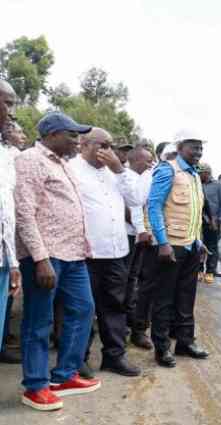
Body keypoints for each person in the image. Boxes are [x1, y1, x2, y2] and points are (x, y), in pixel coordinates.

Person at [14, 112, 100, 411]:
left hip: (74, 255)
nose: (77, 140)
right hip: (46, 257)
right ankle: (35, 386)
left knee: (84, 308)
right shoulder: (29, 160)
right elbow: (25, 212)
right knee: (39, 321)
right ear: (51, 135)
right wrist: (40, 259)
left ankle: (64, 376)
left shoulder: (62, 164)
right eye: (72, 135)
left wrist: (84, 243)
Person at [71, 128, 147, 377]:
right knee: (83, 309)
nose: (108, 151)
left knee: (114, 306)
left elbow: (136, 200)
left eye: (110, 146)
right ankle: (77, 359)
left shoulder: (116, 172)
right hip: (87, 253)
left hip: (116, 252)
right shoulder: (71, 168)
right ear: (83, 144)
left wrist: (120, 170)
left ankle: (114, 357)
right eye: (102, 145)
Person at [147, 129, 209, 368]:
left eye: (201, 148)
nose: (199, 152)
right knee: (164, 298)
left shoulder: (193, 175)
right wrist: (162, 242)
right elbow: (154, 206)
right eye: (194, 147)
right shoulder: (167, 169)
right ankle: (162, 347)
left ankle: (185, 342)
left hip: (191, 245)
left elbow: (194, 212)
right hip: (170, 245)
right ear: (181, 147)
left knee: (186, 296)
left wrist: (199, 241)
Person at [130, 142, 175, 350]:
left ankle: (163, 329)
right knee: (147, 287)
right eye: (171, 154)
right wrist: (143, 229)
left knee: (164, 288)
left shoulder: (184, 176)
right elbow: (139, 204)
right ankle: (139, 330)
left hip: (172, 240)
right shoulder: (151, 175)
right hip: (152, 240)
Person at [123, 146, 155, 349]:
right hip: (125, 237)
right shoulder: (124, 177)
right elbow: (130, 208)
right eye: (147, 160)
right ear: (135, 160)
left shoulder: (146, 178)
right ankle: (123, 327)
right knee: (124, 282)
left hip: (140, 237)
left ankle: (134, 328)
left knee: (133, 283)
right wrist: (141, 228)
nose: (151, 164)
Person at [0, 80, 22, 364]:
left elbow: (7, 212)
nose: (10, 112)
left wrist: (13, 262)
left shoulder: (7, 155)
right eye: (6, 103)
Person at [198, 163, 221, 283]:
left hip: (213, 221)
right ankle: (199, 270)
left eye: (201, 173)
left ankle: (210, 271)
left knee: (212, 247)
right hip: (198, 220)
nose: (199, 175)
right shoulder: (196, 182)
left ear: (207, 173)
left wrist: (220, 222)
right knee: (199, 246)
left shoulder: (218, 186)